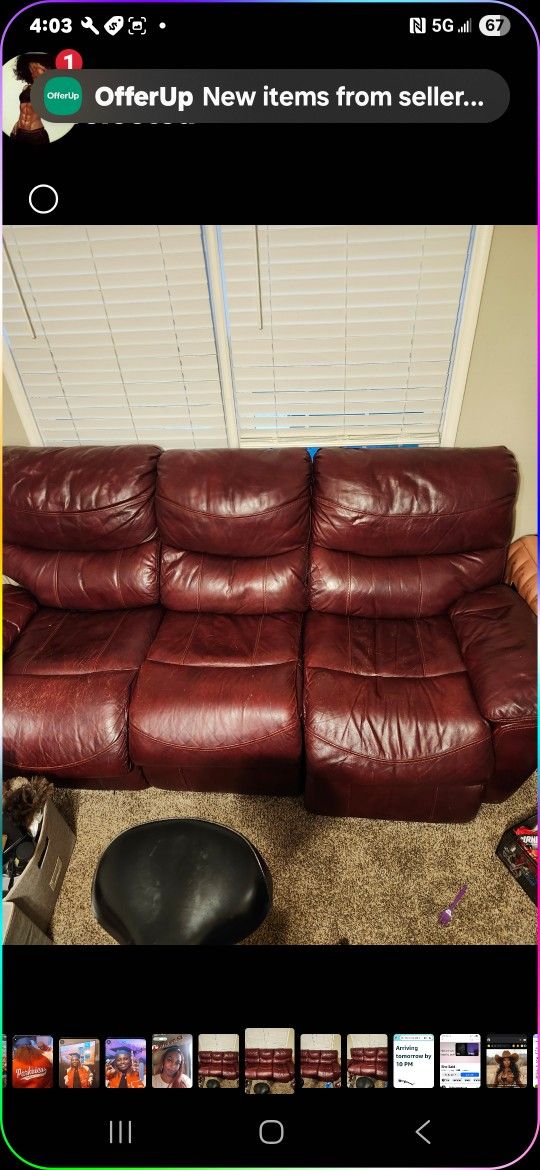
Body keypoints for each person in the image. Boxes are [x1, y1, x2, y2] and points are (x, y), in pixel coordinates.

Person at [11, 52, 55, 146]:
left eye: (38, 68)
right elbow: (24, 109)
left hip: (36, 135)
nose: (33, 71)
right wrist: (17, 123)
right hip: (19, 131)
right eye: (31, 68)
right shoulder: (26, 88)